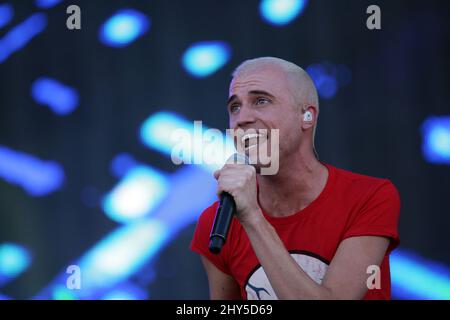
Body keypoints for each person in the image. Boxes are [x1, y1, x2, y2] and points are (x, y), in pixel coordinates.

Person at [190, 57, 400, 300]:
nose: (241, 118)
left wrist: (253, 218)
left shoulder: (369, 197)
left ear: (307, 116)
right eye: (234, 107)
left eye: (261, 101)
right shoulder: (216, 222)